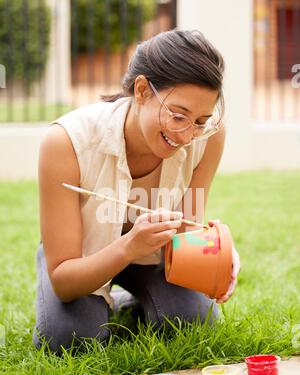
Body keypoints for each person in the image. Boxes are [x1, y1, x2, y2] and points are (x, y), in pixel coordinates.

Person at [33, 29, 241, 354]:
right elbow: (63, 277)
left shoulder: (208, 137)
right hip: (82, 256)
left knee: (193, 323)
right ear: (142, 90)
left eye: (201, 120)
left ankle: (125, 303)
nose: (187, 136)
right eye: (177, 116)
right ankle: (104, 304)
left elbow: (186, 231)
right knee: (71, 339)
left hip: (156, 256)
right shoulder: (66, 142)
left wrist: (217, 254)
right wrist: (130, 245)